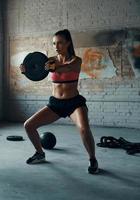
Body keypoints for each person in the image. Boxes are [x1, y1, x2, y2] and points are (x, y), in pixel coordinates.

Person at [19, 29, 99, 174]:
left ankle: (92, 159)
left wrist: (55, 67)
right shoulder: (49, 61)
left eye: (60, 43)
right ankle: (40, 153)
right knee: (29, 125)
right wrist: (26, 70)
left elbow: (68, 68)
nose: (57, 46)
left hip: (74, 103)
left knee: (83, 129)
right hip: (55, 104)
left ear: (68, 43)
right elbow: (37, 71)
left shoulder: (76, 60)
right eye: (54, 43)